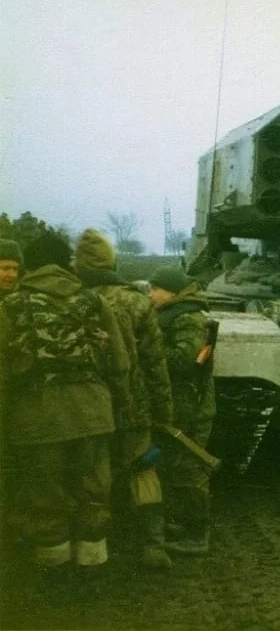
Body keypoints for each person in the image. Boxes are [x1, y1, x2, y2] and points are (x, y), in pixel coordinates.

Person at [0, 232, 130, 571]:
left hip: (37, 416)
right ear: (66, 264)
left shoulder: (11, 305)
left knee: (46, 494)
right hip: (93, 413)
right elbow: (120, 363)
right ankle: (92, 562)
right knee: (92, 489)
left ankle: (54, 569)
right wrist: (120, 405)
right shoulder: (93, 301)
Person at [75, 229, 176, 570]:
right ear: (112, 261)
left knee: (91, 473)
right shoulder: (137, 301)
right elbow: (155, 364)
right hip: (133, 403)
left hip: (87, 407)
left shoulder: (71, 298)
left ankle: (96, 547)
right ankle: (154, 545)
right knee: (143, 468)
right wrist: (164, 410)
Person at [148, 268, 216, 556]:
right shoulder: (175, 315)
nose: (150, 294)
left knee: (189, 472)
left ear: (172, 292)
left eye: (155, 289)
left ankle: (197, 534)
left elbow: (185, 360)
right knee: (174, 469)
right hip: (180, 406)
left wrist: (148, 354)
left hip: (191, 409)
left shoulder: (188, 318)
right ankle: (184, 524)